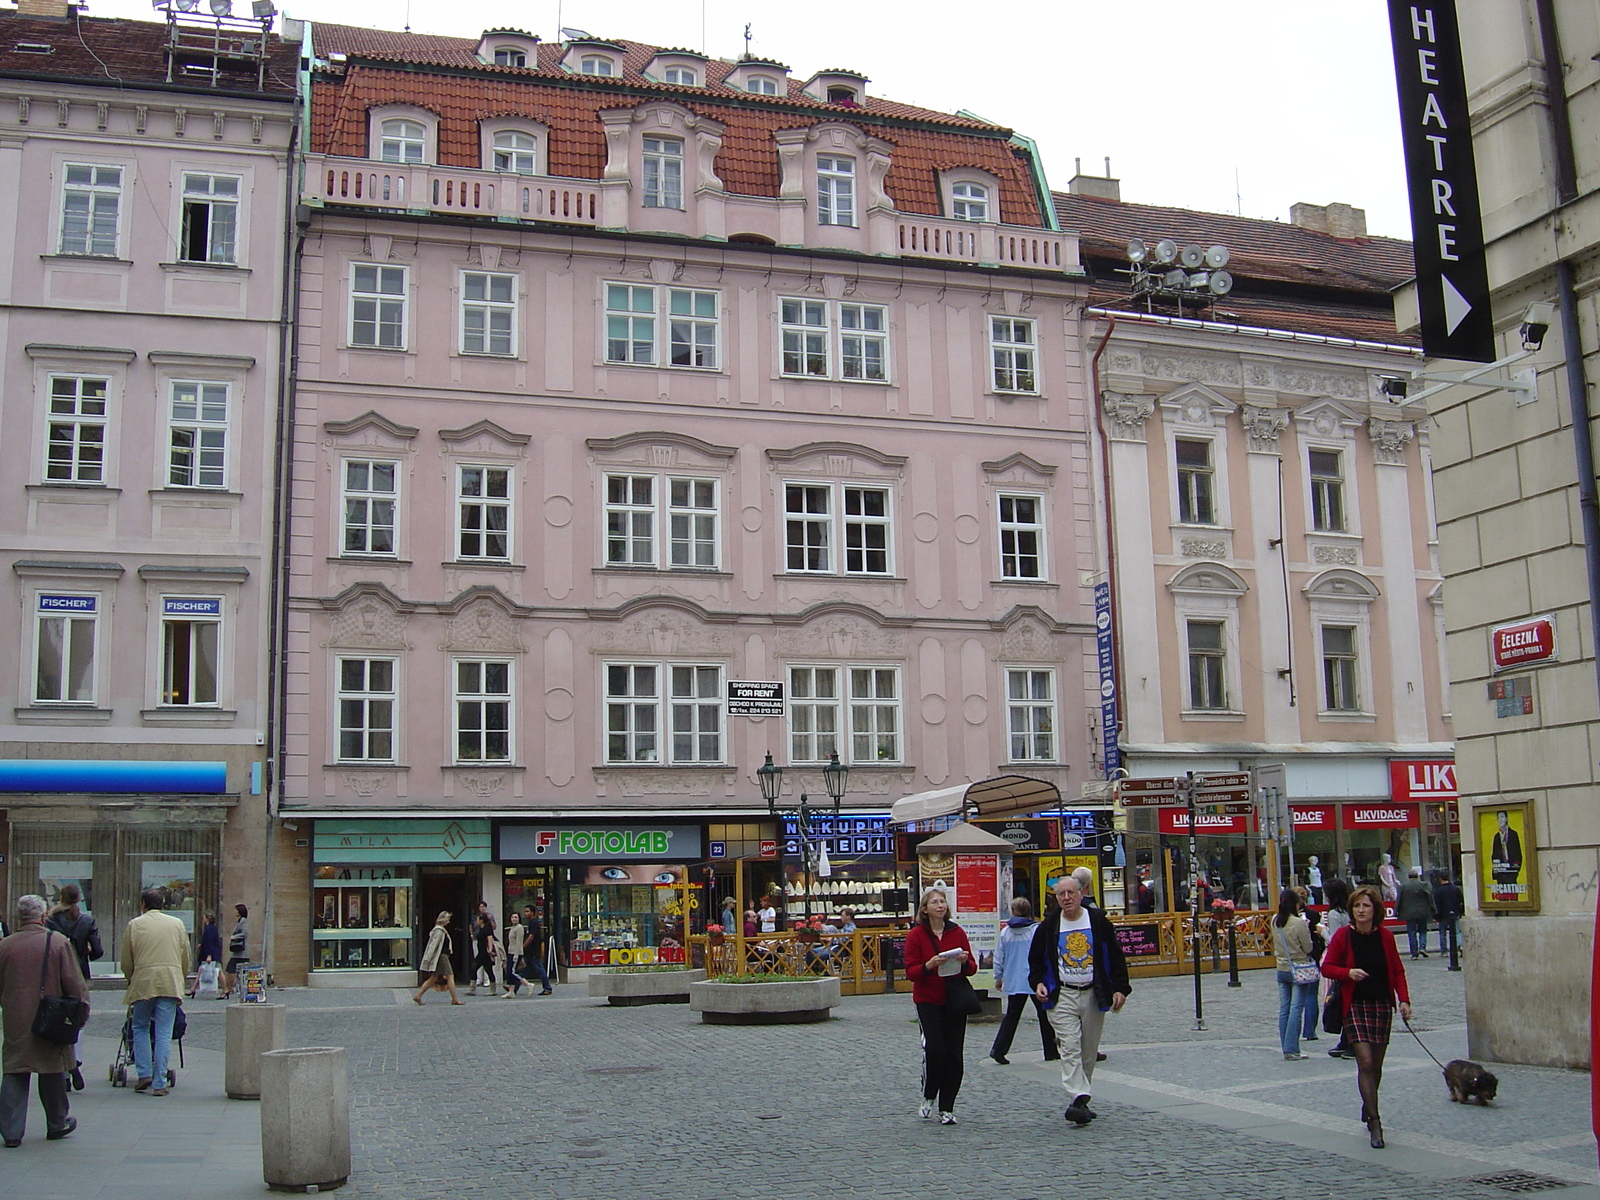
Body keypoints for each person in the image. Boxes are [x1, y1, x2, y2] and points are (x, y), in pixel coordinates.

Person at [1029, 874, 1131, 1126]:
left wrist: (1120, 989)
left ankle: (1080, 1102)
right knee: (1070, 1045)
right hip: (1062, 993)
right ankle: (1078, 1095)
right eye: (1061, 895)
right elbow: (1035, 961)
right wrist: (1039, 983)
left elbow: (1115, 956)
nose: (1066, 898)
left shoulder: (1097, 922)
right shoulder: (1049, 926)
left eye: (1070, 893)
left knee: (1088, 1050)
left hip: (1093, 992)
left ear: (1081, 894)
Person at [1320, 884, 1411, 1149]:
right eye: (1357, 906)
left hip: (1381, 1004)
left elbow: (1397, 970)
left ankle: (1368, 1102)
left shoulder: (1385, 937)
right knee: (1366, 1061)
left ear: (1375, 910)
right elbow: (1327, 967)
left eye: (1366, 906)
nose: (1361, 911)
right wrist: (1348, 973)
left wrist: (1403, 1000)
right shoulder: (1343, 937)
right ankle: (1375, 1120)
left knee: (1377, 1065)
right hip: (1355, 1006)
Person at [0, 895, 88, 1147]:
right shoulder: (57, 942)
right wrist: (81, 1011)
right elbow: (74, 982)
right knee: (52, 1067)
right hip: (51, 1017)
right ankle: (57, 1121)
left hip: (16, 1017)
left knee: (16, 1068)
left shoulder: (5, 946)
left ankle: (11, 1130)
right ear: (42, 916)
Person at [904, 887, 975, 1125]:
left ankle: (947, 1107)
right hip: (928, 999)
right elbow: (912, 972)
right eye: (935, 902)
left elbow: (973, 967)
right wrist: (929, 965)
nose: (940, 906)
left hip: (954, 998)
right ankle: (929, 1094)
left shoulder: (957, 932)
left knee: (954, 1054)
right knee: (935, 1050)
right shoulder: (916, 935)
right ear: (925, 909)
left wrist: (964, 962)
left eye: (942, 901)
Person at [121, 888, 190, 1096]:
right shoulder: (176, 924)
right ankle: (160, 1082)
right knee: (163, 1033)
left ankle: (144, 1073)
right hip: (169, 981)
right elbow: (185, 956)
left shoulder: (135, 925)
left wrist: (131, 977)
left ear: (143, 904)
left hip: (144, 981)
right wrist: (181, 977)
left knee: (140, 1026)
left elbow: (126, 960)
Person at [988, 898, 1058, 1067]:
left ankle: (999, 1049)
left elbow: (999, 957)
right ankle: (1050, 1050)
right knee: (1044, 1016)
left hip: (1014, 980)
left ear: (1013, 912)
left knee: (1011, 1017)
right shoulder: (1036, 931)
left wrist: (998, 977)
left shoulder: (1006, 933)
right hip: (1035, 980)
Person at [1271, 890, 1317, 1060]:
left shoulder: (1274, 920)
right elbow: (1308, 948)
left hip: (1281, 967)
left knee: (1284, 1008)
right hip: (1298, 968)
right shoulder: (1298, 923)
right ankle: (1292, 1048)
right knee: (1296, 1008)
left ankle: (1286, 1045)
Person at [1320, 877, 1353, 1059]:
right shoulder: (1348, 909)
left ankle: (1349, 1039)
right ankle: (1345, 1038)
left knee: (1340, 999)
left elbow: (1334, 940)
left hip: (1340, 959)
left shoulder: (1334, 914)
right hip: (1350, 956)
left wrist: (1322, 931)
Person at [44, 884, 101, 985]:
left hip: (56, 971)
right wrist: (86, 953)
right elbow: (98, 950)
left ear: (61, 898)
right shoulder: (87, 921)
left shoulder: (50, 921)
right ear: (79, 898)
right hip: (80, 970)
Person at [413, 911, 464, 1005]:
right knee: (450, 976)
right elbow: (433, 946)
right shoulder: (439, 931)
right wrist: (428, 959)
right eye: (448, 919)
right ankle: (455, 998)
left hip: (441, 956)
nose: (448, 922)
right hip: (442, 957)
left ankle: (418, 996)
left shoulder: (441, 930)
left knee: (433, 978)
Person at [1395, 867, 1436, 959]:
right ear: (1417, 876)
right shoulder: (1424, 885)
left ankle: (1414, 953)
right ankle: (1422, 947)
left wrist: (1396, 912)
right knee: (1423, 931)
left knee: (1411, 933)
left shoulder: (1403, 887)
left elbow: (1398, 900)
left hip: (1409, 913)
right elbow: (1430, 898)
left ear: (1408, 877)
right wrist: (1433, 910)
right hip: (1422, 912)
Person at [519, 908, 554, 995]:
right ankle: (513, 987)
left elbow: (531, 936)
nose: (525, 913)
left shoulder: (534, 922)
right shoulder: (531, 923)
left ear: (533, 913)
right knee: (523, 969)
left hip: (533, 951)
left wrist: (523, 946)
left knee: (539, 969)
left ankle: (547, 988)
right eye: (525, 911)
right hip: (529, 951)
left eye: (527, 911)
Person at [1432, 872, 1464, 964]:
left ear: (1440, 879)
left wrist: (1435, 916)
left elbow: (1437, 905)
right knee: (1457, 931)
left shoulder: (1438, 891)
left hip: (1443, 915)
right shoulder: (1456, 889)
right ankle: (1460, 946)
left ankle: (1444, 951)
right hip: (1455, 913)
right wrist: (1460, 911)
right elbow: (1461, 901)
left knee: (1443, 933)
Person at [220, 903, 248, 1000]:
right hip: (239, 952)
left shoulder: (243, 921)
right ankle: (231, 988)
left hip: (240, 952)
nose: (234, 912)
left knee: (231, 969)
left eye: (236, 910)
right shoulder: (239, 921)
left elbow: (245, 933)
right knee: (239, 971)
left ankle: (229, 988)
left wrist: (234, 937)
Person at [192, 912, 223, 997]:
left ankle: (225, 989)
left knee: (218, 972)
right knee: (201, 970)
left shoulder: (209, 929)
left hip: (211, 954)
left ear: (208, 919)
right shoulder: (212, 928)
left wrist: (209, 955)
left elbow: (209, 942)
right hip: (213, 952)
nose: (203, 919)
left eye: (204, 917)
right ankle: (193, 989)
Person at [1491, 810, 1523, 885]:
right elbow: (1494, 855)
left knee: (1512, 895)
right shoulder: (1496, 837)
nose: (1500, 819)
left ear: (1506, 819)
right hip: (1501, 873)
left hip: (1511, 872)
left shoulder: (1513, 834)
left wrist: (1516, 870)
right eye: (1498, 818)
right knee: (1502, 896)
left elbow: (1518, 854)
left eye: (1502, 817)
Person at [501, 915, 525, 997]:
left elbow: (519, 942)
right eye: (512, 917)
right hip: (510, 952)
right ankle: (511, 991)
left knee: (512, 972)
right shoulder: (512, 928)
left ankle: (528, 984)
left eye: (516, 917)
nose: (514, 919)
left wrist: (516, 954)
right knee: (509, 972)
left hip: (516, 953)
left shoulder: (519, 928)